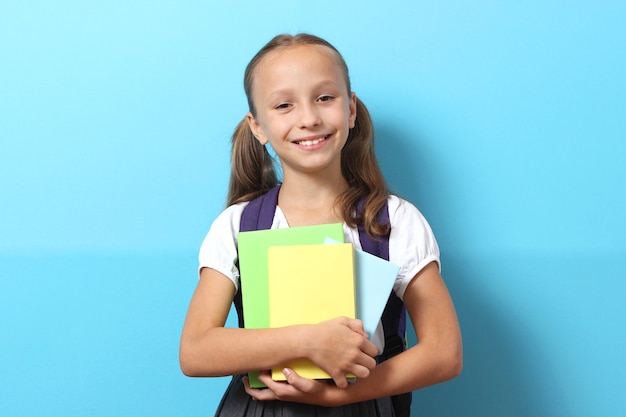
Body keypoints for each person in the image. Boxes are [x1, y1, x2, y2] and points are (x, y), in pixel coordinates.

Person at [179, 33, 462, 416]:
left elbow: (444, 352)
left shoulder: (393, 221)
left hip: (361, 404)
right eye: (283, 105)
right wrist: (308, 340)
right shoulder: (237, 225)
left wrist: (339, 396)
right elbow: (195, 351)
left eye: (325, 98)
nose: (309, 118)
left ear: (351, 110)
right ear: (258, 127)